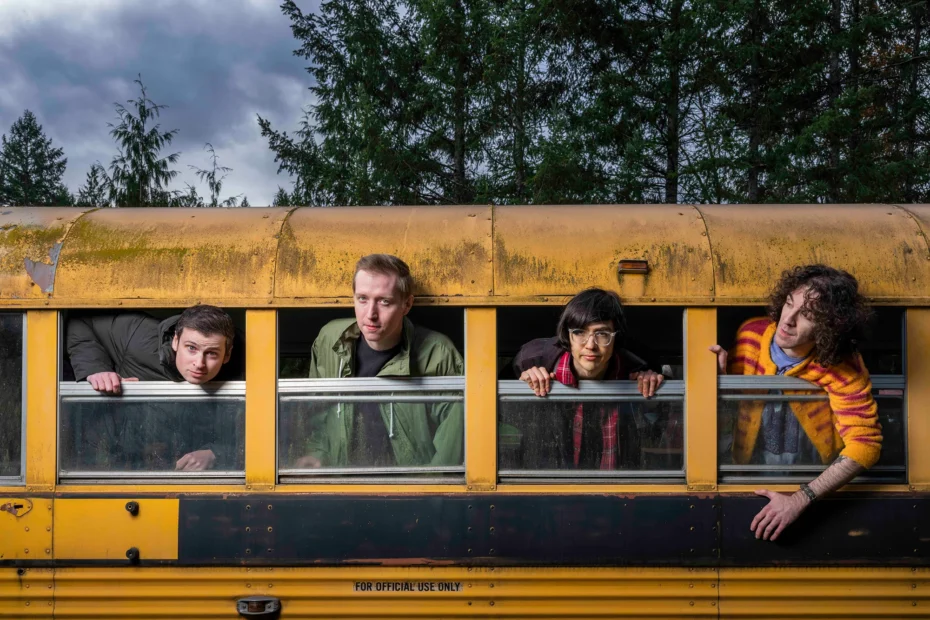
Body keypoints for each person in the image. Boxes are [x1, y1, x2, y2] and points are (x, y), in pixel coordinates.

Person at [710, 264, 881, 541]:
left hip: (813, 482)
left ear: (829, 326)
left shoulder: (844, 365)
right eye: (788, 304)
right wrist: (720, 383)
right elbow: (734, 415)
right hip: (744, 475)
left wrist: (801, 498)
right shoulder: (750, 335)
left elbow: (866, 445)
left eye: (808, 315)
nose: (787, 320)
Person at [296, 254, 464, 468]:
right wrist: (318, 455)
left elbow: (453, 443)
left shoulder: (438, 353)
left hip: (412, 485)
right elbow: (319, 415)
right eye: (362, 299)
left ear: (407, 304)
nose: (371, 314)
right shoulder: (329, 341)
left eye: (384, 301)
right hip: (342, 481)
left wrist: (427, 485)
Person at [66, 304, 241, 471]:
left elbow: (253, 431)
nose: (199, 363)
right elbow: (80, 320)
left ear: (227, 354)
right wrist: (96, 368)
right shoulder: (137, 334)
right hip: (122, 462)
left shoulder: (245, 362)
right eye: (191, 348)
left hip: (194, 470)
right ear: (175, 341)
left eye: (211, 353)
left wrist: (216, 454)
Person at [511, 288, 667, 470]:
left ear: (616, 338)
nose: (590, 345)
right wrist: (522, 386)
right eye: (579, 332)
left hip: (618, 484)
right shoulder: (533, 360)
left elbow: (657, 433)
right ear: (567, 335)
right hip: (547, 483)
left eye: (602, 334)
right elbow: (496, 413)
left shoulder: (637, 368)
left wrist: (653, 390)